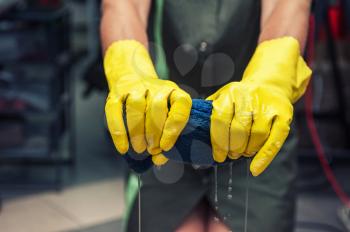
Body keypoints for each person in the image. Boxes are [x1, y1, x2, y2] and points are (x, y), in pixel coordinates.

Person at [100, 0, 312, 231]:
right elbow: (123, 6)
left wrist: (273, 75)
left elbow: (288, 7)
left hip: (255, 126)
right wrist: (129, 70)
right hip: (163, 124)